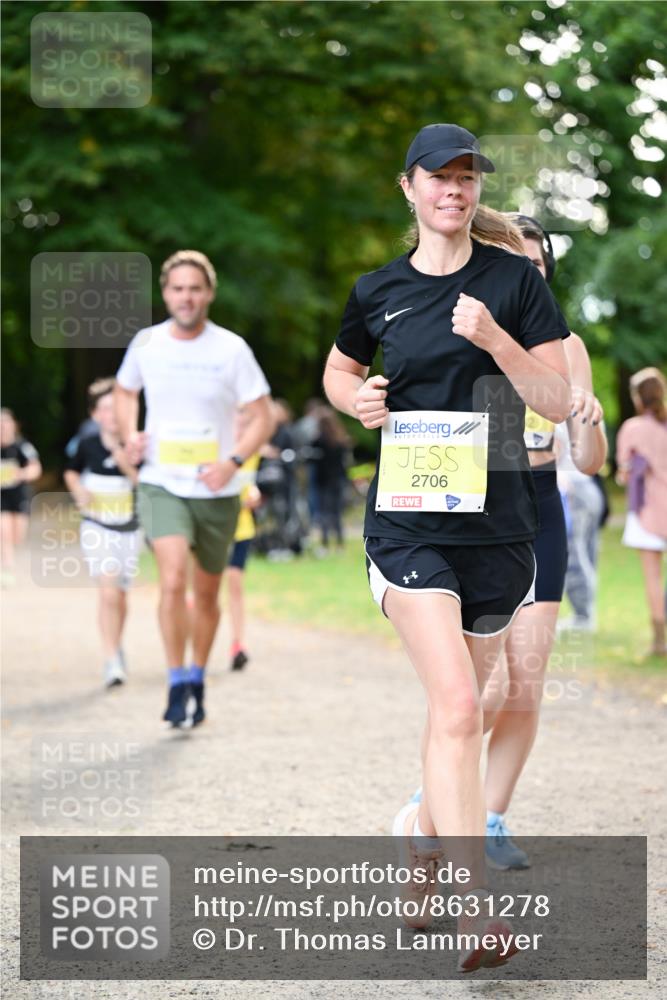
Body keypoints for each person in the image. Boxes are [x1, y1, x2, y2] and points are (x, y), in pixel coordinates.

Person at [323, 123, 572, 971]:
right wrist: (355, 400)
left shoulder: (513, 284)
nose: (454, 191)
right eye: (439, 178)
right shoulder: (377, 289)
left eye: (467, 179)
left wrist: (495, 339)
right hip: (408, 525)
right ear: (409, 188)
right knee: (460, 707)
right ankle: (476, 914)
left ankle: (419, 836)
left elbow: (557, 395)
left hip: (501, 529)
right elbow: (336, 370)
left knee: (464, 711)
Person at [480, 216, 607, 869]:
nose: (525, 273)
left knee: (525, 681)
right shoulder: (468, 334)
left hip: (539, 506)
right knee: (485, 687)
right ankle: (435, 800)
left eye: (535, 264)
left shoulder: (566, 345)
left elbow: (585, 458)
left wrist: (589, 424)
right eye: (512, 261)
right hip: (476, 512)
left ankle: (489, 817)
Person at [114, 250, 273, 727]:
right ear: (165, 293)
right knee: (172, 579)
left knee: (207, 595)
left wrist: (233, 462)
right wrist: (130, 435)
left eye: (195, 288)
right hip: (163, 483)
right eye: (178, 288)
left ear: (209, 294)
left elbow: (262, 416)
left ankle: (198, 675)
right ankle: (176, 676)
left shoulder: (231, 349)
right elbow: (125, 391)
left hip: (217, 490)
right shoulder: (147, 344)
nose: (186, 297)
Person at [63, 378, 142, 687]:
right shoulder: (87, 441)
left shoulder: (136, 443)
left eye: (116, 407)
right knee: (107, 589)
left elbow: (147, 485)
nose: (112, 414)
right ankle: (110, 660)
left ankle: (117, 644)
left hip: (129, 529)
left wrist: (124, 462)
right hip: (97, 526)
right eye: (106, 409)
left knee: (121, 596)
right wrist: (78, 489)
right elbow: (69, 470)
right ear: (96, 414)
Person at [616, 367, 667, 655]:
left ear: (638, 398)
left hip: (649, 511)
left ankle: (660, 642)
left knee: (653, 577)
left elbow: (623, 471)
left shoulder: (633, 429)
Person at [224, 407, 263, 671]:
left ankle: (238, 644)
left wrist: (254, 495)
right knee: (200, 590)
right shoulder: (212, 448)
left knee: (235, 585)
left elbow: (252, 484)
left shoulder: (253, 452)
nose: (240, 425)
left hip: (241, 528)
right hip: (211, 530)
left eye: (245, 421)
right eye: (235, 419)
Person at [0, 408, 41, 586]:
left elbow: (35, 468)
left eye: (6, 423)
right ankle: (7, 568)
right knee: (4, 532)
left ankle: (9, 559)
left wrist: (20, 474)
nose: (3, 427)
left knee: (18, 536)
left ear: (14, 425)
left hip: (19, 496)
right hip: (2, 497)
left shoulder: (22, 446)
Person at [311, 406, 351, 549]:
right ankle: (340, 543)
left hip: (323, 481)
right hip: (338, 480)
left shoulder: (318, 441)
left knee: (324, 513)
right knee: (336, 513)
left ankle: (325, 543)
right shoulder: (340, 440)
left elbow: (312, 460)